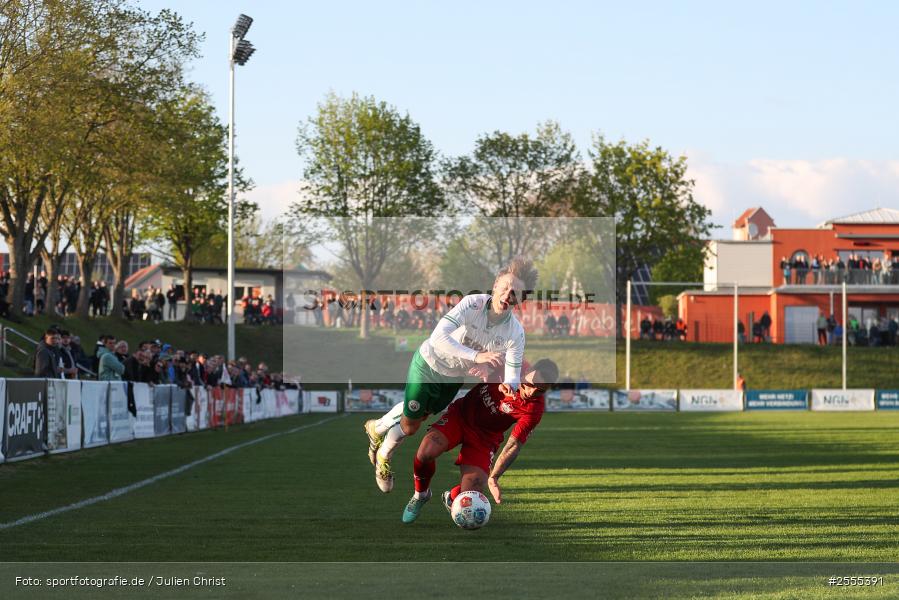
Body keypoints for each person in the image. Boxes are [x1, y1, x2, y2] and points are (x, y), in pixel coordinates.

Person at [363, 256, 536, 493]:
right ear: (495, 285)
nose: (508, 294)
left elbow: (513, 377)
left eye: (515, 293)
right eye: (505, 287)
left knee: (419, 417)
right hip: (428, 364)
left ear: (520, 300)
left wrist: (506, 384)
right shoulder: (472, 303)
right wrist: (477, 358)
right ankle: (383, 455)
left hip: (453, 379)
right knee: (411, 425)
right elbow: (438, 338)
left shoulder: (515, 332)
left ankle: (376, 429)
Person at [400, 359, 559, 523]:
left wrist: (494, 477)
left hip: (485, 438)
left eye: (540, 391)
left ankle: (452, 497)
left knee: (471, 493)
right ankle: (421, 495)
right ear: (528, 370)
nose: (532, 392)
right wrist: (481, 363)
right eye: (531, 384)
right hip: (460, 417)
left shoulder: (534, 409)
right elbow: (478, 351)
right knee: (427, 451)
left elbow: (514, 445)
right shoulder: (511, 362)